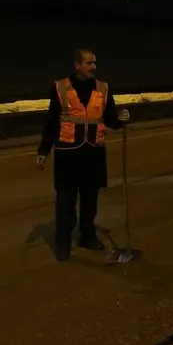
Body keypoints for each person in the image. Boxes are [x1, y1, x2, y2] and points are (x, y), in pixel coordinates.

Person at [36, 49, 130, 260]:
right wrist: (44, 149)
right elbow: (52, 121)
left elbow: (111, 120)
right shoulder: (60, 87)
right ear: (77, 65)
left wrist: (122, 119)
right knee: (65, 201)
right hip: (67, 154)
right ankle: (63, 244)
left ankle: (87, 236)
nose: (93, 67)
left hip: (93, 153)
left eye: (94, 63)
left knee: (90, 200)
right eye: (89, 63)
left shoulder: (103, 88)